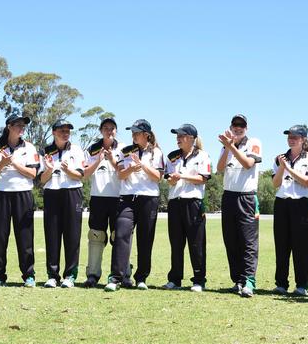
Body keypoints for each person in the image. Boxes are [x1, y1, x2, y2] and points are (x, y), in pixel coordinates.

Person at [105, 119, 164, 291]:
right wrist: (130, 169)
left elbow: (158, 177)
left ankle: (141, 278)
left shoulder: (157, 153)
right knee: (121, 234)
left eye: (137, 132)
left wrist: (142, 166)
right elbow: (121, 175)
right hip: (127, 198)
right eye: (132, 132)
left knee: (145, 239)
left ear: (146, 135)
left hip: (148, 199)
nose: (133, 135)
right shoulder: (126, 151)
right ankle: (116, 277)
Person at [0, 114, 40, 287]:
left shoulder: (29, 147)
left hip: (23, 194)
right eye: (18, 124)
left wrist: (15, 164)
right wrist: (2, 163)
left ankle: (29, 275)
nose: (22, 128)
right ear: (9, 126)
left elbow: (33, 174)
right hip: (1, 195)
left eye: (23, 125)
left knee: (25, 236)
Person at [216, 114, 262, 298]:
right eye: (235, 125)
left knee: (248, 241)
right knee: (231, 240)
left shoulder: (254, 142)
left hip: (247, 197)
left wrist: (231, 146)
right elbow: (219, 168)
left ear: (247, 127)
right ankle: (238, 280)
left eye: (241, 125)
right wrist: (228, 147)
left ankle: (249, 280)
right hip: (229, 196)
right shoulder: (226, 145)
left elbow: (248, 163)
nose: (238, 128)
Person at [162, 124, 211, 292]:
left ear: (192, 138)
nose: (178, 138)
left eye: (182, 135)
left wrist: (181, 176)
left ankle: (199, 280)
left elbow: (203, 178)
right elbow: (168, 178)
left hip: (193, 203)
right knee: (176, 243)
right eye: (177, 135)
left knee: (196, 244)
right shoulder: (172, 157)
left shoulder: (203, 156)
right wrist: (172, 180)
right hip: (175, 202)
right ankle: (175, 279)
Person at [82, 117, 130, 288]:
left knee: (120, 236)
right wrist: (98, 160)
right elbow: (85, 175)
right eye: (106, 128)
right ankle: (93, 275)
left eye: (112, 128)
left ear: (116, 131)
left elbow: (124, 172)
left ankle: (123, 275)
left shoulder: (124, 148)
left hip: (119, 198)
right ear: (101, 130)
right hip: (98, 198)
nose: (109, 131)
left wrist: (111, 160)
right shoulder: (92, 149)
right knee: (96, 236)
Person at [272, 125, 308, 296]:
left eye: (295, 137)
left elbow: (307, 182)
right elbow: (275, 184)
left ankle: (302, 285)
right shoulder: (279, 159)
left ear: (303, 139)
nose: (291, 139)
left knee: (302, 247)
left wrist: (289, 169)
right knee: (282, 245)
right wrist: (283, 167)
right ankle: (281, 283)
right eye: (289, 136)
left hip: (301, 204)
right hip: (282, 203)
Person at [39, 119, 85, 288]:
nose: (65, 133)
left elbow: (80, 175)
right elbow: (41, 179)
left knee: (72, 235)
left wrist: (67, 170)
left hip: (72, 193)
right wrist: (50, 169)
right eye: (62, 130)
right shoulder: (45, 151)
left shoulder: (77, 150)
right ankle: (52, 275)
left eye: (68, 131)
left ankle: (70, 275)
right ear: (54, 132)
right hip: (52, 193)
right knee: (52, 234)